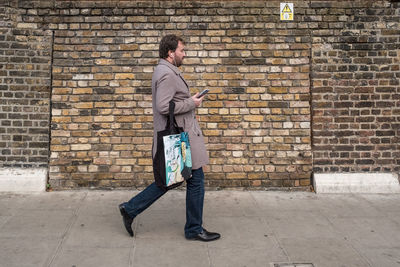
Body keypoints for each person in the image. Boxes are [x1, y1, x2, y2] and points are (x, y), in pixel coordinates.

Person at [118, 34, 221, 242]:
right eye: (182, 50)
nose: (184, 54)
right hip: (180, 137)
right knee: (191, 181)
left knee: (173, 180)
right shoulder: (167, 74)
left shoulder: (166, 70)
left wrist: (190, 102)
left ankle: (130, 209)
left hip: (182, 135)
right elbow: (163, 106)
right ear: (170, 52)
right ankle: (192, 229)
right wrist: (192, 103)